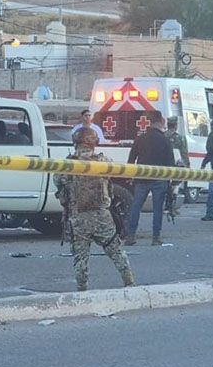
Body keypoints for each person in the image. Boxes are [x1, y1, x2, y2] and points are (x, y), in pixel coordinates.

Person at [56, 127, 135, 291]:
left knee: (80, 257)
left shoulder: (67, 163)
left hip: (78, 217)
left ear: (75, 142)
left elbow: (58, 182)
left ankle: (82, 289)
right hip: (101, 215)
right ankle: (129, 282)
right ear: (94, 142)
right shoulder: (103, 161)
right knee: (115, 250)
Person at [126, 112, 175, 246]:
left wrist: (131, 176)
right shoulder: (165, 140)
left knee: (136, 207)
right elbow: (171, 162)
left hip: (141, 179)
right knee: (158, 209)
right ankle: (156, 237)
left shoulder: (140, 138)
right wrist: (171, 180)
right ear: (161, 122)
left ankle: (130, 236)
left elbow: (131, 159)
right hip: (159, 179)